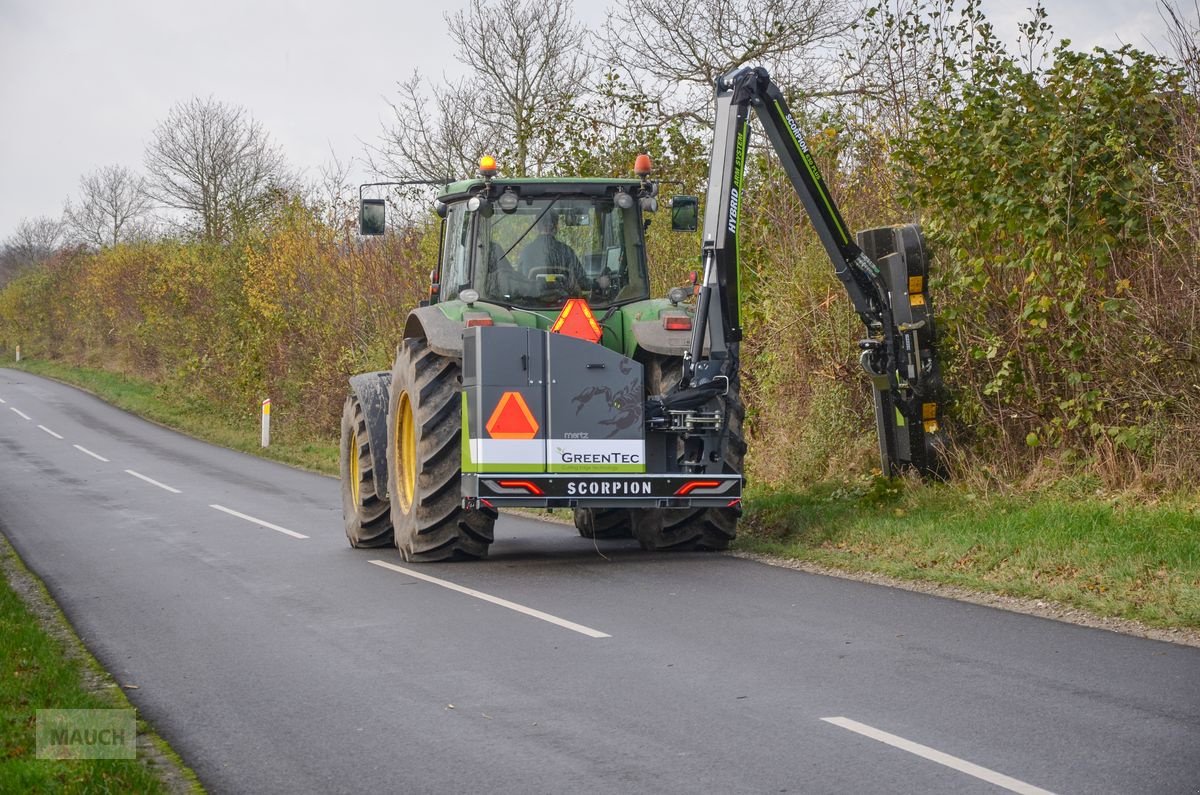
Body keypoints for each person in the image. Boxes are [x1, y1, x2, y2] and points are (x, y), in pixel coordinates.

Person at [517, 212, 587, 291]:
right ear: (556, 227)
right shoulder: (567, 251)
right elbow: (583, 282)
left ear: (536, 227)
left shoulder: (526, 252)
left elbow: (520, 283)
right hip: (563, 300)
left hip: (532, 301)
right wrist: (596, 283)